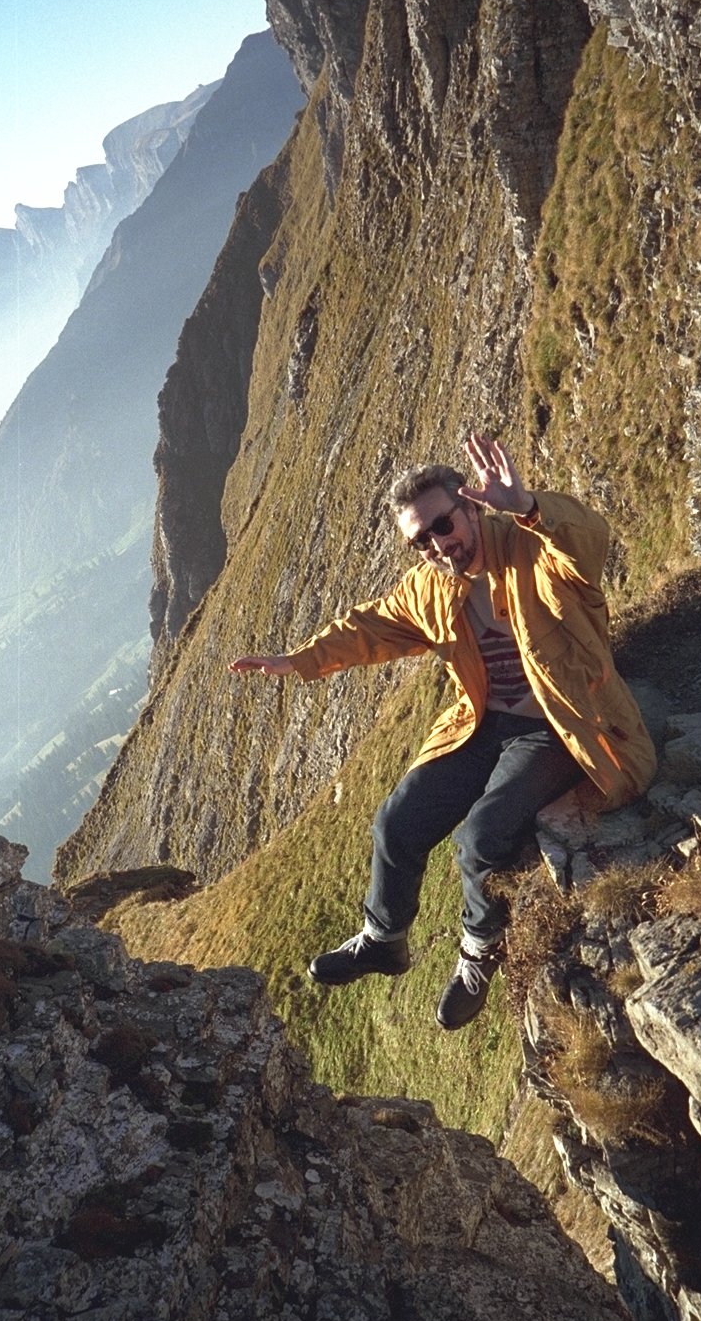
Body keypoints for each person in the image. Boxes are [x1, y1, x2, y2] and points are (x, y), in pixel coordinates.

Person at [230, 434, 656, 1030]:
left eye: (442, 524)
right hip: (483, 722)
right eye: (420, 540)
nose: (436, 544)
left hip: (559, 722)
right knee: (396, 823)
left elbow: (589, 540)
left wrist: (528, 506)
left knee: (480, 836)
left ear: (471, 507)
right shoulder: (431, 587)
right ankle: (384, 939)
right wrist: (297, 660)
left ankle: (479, 954)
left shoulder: (533, 548)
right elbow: (370, 626)